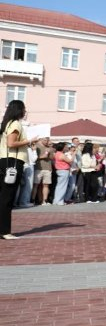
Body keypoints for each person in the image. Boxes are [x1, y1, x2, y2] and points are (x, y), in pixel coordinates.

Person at [1, 100, 37, 239]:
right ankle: (4, 231)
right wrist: (29, 141)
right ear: (18, 110)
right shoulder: (15, 124)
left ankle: (3, 230)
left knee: (4, 197)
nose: (25, 111)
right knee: (7, 198)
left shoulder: (6, 124)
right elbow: (11, 143)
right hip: (13, 162)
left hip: (4, 160)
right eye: (24, 109)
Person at [15, 137, 36, 208]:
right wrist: (34, 151)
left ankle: (17, 202)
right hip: (28, 166)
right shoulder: (28, 149)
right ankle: (24, 202)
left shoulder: (21, 148)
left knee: (20, 185)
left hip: (23, 166)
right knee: (27, 185)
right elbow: (33, 159)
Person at [33, 137, 54, 206]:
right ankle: (32, 200)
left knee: (46, 185)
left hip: (48, 168)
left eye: (47, 140)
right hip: (38, 168)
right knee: (36, 185)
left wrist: (49, 153)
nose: (46, 142)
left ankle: (45, 200)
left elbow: (52, 158)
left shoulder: (49, 147)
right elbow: (33, 158)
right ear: (40, 139)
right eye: (45, 140)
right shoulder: (36, 146)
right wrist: (43, 156)